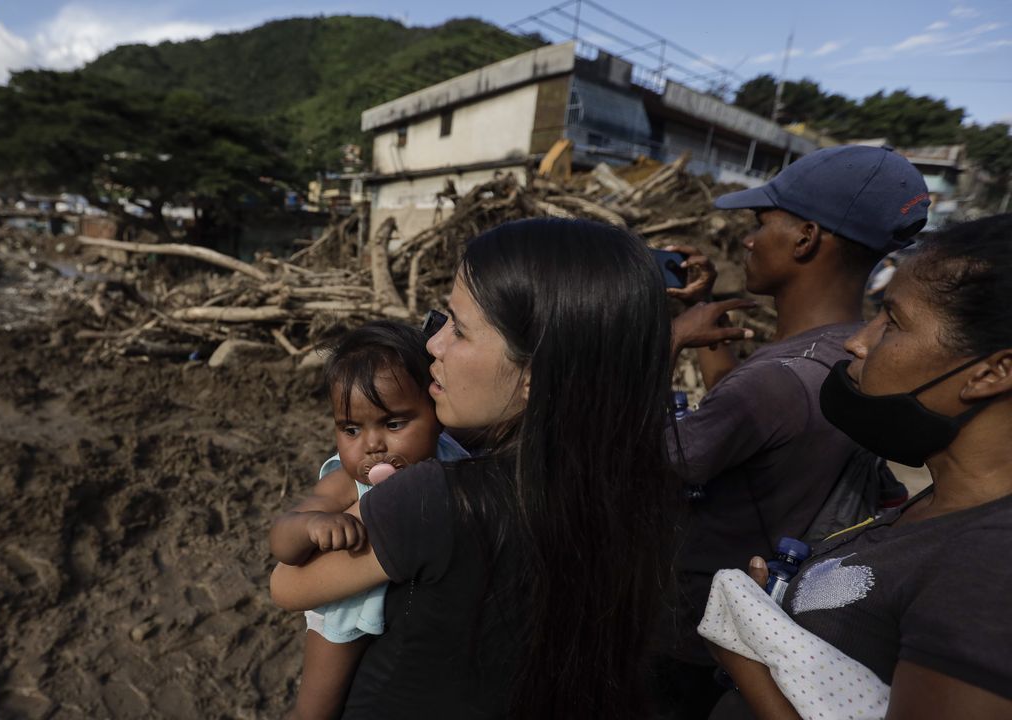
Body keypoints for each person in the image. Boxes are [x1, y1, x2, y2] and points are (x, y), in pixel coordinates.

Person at [271, 218, 675, 718]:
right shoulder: (632, 489)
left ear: (533, 375)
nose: (433, 344)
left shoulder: (433, 500)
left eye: (459, 329)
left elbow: (286, 586)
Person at [652, 145, 931, 718]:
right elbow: (758, 429)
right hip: (765, 622)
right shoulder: (854, 351)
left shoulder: (777, 380)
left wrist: (667, 340)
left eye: (761, 224)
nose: (748, 241)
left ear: (805, 238)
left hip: (699, 640)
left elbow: (643, 458)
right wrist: (707, 316)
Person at [708, 214, 1012, 719]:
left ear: (993, 372)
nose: (859, 342)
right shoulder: (942, 500)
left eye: (892, 322)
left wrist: (746, 659)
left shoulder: (991, 565)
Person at [268, 320, 467, 720]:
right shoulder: (344, 483)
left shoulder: (455, 459)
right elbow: (282, 541)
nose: (372, 445)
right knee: (317, 710)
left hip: (406, 616)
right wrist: (311, 527)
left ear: (436, 412)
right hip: (345, 615)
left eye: (394, 424)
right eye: (351, 429)